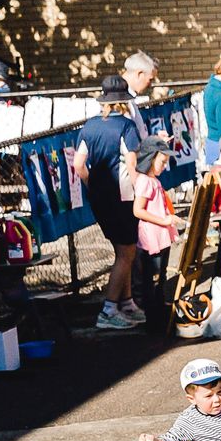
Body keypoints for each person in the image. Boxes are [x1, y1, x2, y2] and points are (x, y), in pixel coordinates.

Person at [76, 76, 145, 329]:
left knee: (122, 251)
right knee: (126, 253)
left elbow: (78, 165)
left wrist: (92, 186)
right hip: (123, 196)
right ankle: (108, 310)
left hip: (100, 197)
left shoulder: (89, 126)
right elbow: (132, 164)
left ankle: (126, 303)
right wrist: (142, 191)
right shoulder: (127, 126)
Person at [131, 147, 182, 328]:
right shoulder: (145, 181)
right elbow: (138, 210)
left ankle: (159, 312)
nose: (165, 166)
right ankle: (153, 318)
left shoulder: (153, 181)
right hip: (152, 238)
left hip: (161, 236)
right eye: (162, 162)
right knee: (152, 279)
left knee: (160, 276)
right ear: (151, 159)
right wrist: (163, 220)